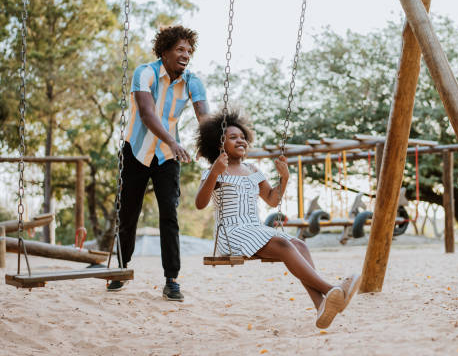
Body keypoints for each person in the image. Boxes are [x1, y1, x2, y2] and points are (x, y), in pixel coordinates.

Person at [195, 110, 360, 329]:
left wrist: (284, 178)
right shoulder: (215, 172)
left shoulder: (252, 169)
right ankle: (331, 289)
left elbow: (273, 200)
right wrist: (216, 172)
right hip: (232, 233)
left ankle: (322, 304)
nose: (240, 140)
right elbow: (200, 203)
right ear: (219, 145)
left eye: (242, 136)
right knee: (283, 244)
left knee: (299, 244)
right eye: (233, 137)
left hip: (254, 229)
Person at [107, 25, 210, 301]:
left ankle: (171, 279)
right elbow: (146, 113)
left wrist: (208, 145)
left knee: (170, 214)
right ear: (164, 51)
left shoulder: (192, 81)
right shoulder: (145, 72)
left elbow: (205, 119)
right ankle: (120, 268)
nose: (185, 54)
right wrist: (174, 141)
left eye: (189, 50)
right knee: (128, 213)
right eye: (179, 49)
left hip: (166, 157)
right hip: (136, 151)